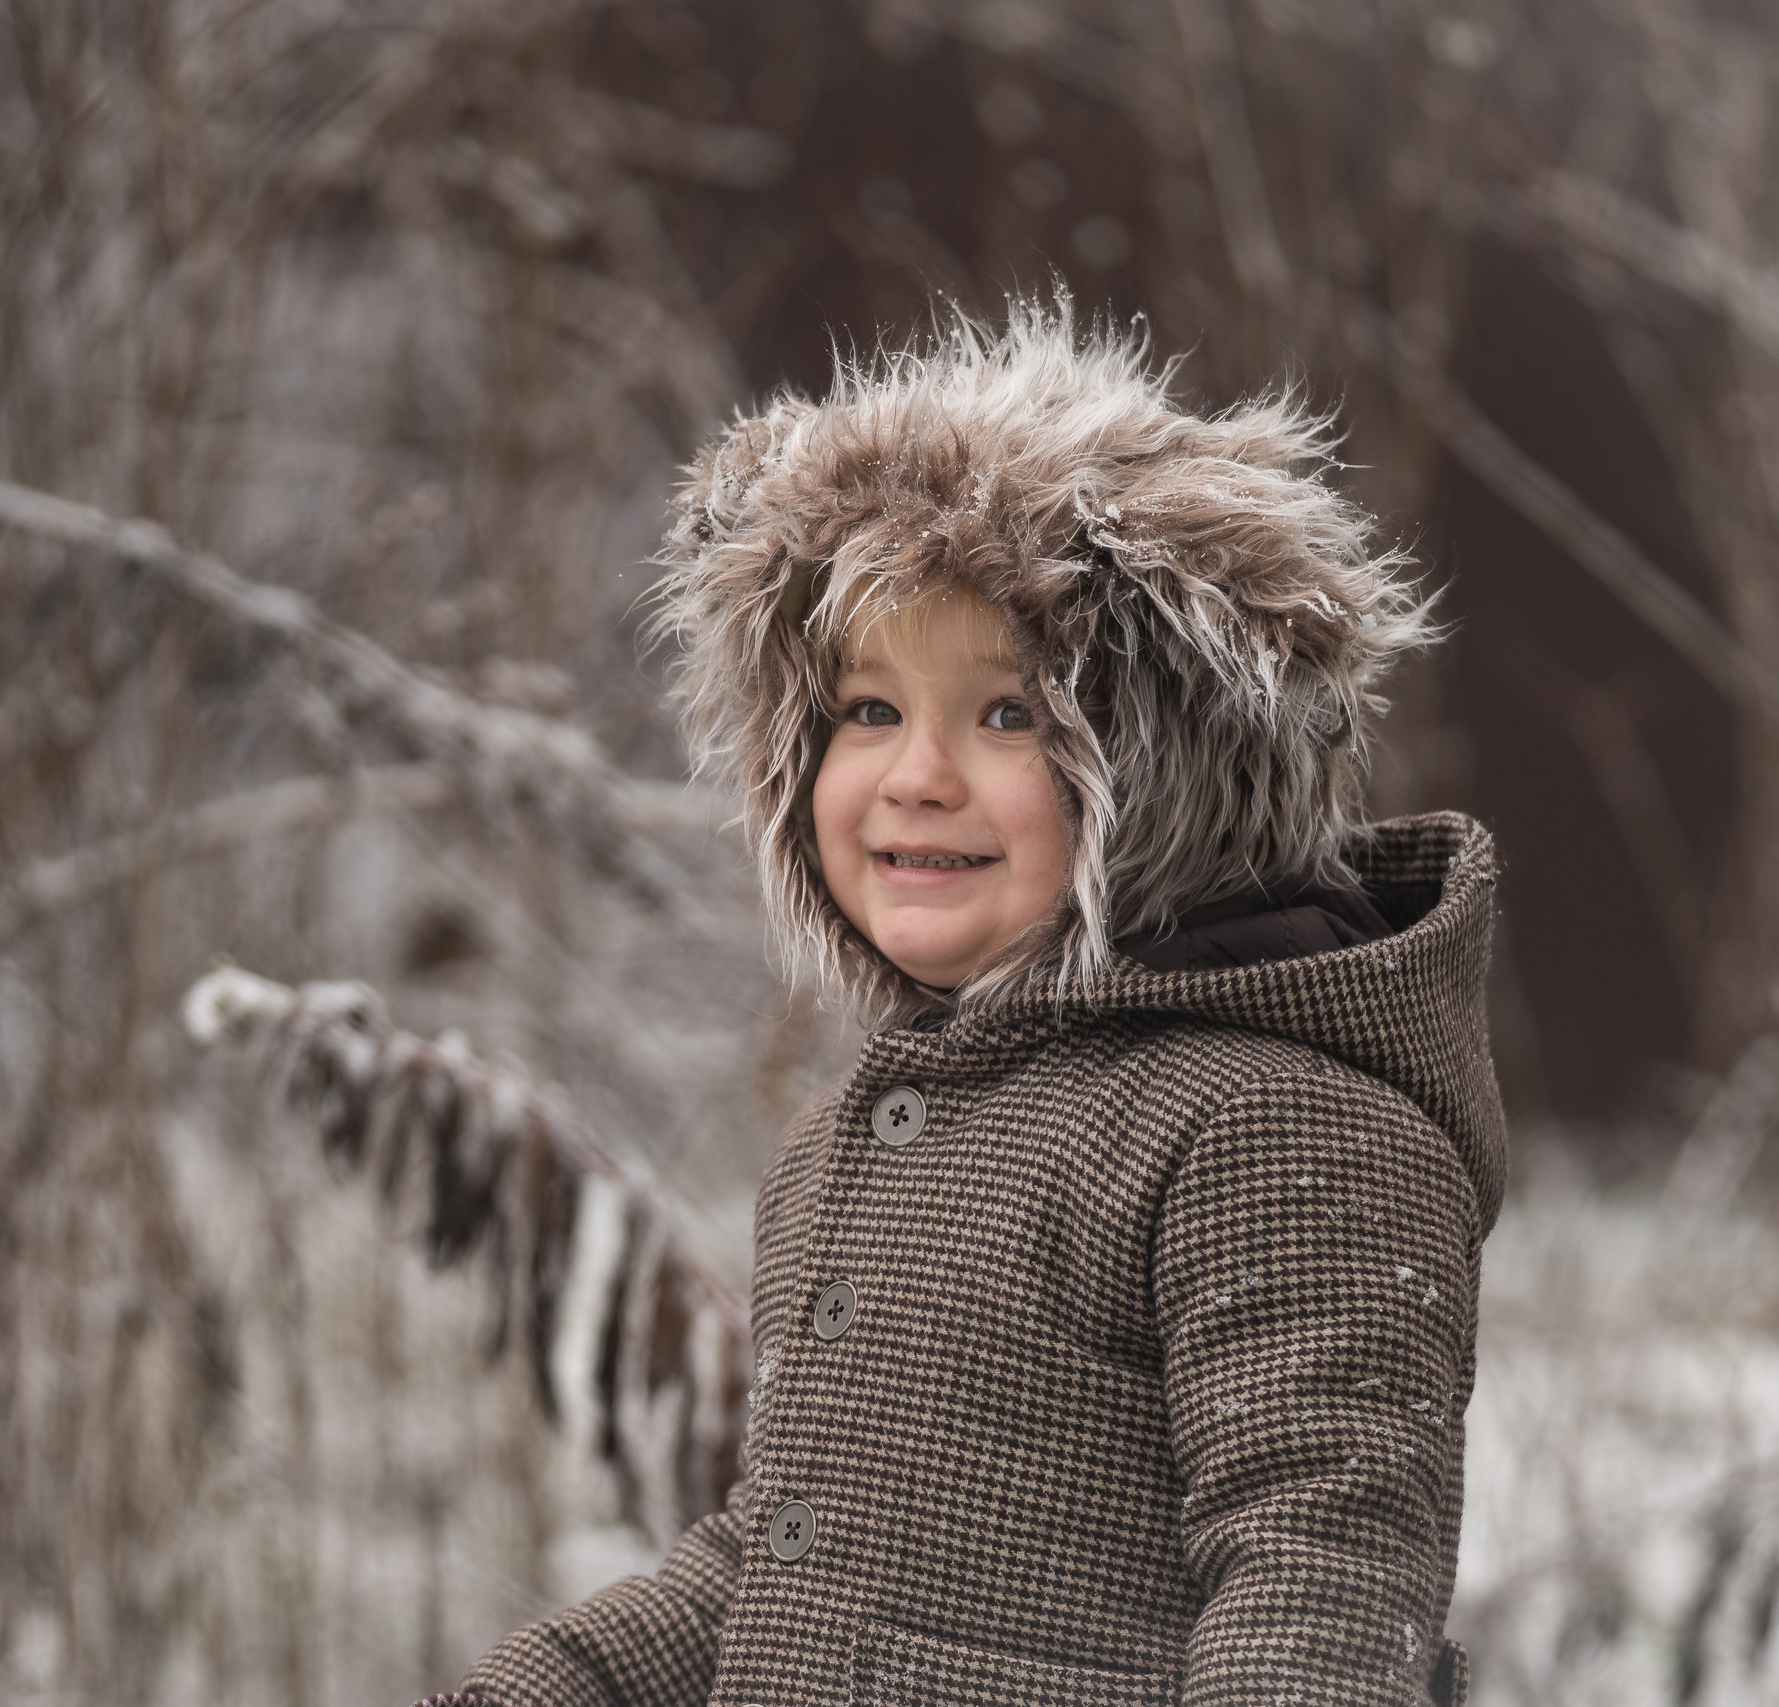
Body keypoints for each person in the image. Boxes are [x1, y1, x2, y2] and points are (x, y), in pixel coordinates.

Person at [427, 299, 1502, 1707]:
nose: (917, 776)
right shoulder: (852, 1147)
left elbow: (1321, 1582)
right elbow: (791, 1565)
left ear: (1171, 775)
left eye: (1006, 717)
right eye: (867, 712)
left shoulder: (1284, 1128)